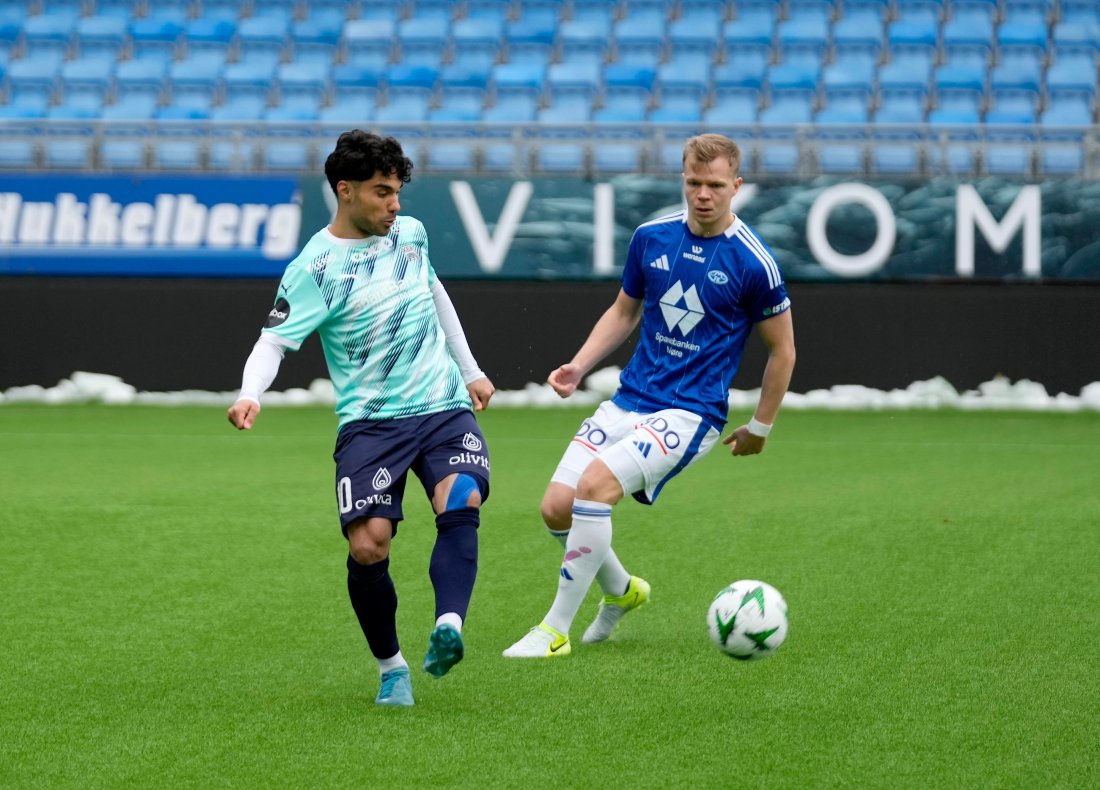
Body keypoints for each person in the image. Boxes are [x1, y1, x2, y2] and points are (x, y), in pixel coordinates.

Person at [227, 130, 495, 706]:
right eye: (381, 193)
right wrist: (251, 393)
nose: (394, 204)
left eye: (397, 191)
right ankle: (392, 667)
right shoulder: (314, 268)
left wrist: (469, 369)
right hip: (372, 425)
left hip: (443, 407)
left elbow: (435, 292)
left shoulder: (411, 235)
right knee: (369, 547)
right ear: (345, 192)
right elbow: (272, 342)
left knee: (462, 496)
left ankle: (450, 623)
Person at [503, 133, 796, 658]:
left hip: (690, 414)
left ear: (737, 186)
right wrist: (579, 364)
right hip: (629, 399)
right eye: (693, 183)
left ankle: (553, 631)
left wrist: (761, 427)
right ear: (682, 179)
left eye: (714, 185)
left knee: (594, 488)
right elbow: (623, 311)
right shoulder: (651, 238)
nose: (703, 194)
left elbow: (783, 352)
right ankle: (623, 591)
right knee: (555, 508)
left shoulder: (755, 262)